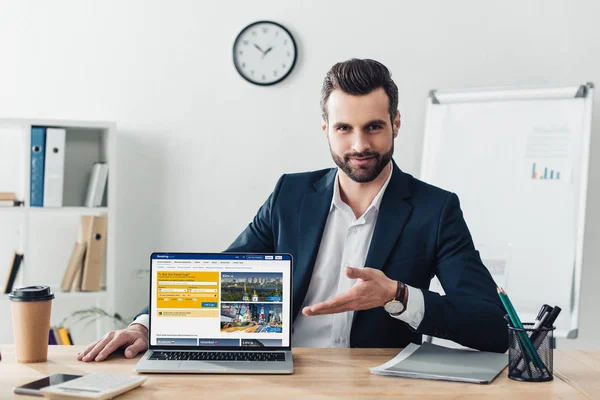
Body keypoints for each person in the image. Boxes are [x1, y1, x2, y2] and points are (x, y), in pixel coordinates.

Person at [78, 58, 508, 363]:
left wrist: (397, 296)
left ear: (396, 123)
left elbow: (491, 326)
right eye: (344, 128)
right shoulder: (291, 195)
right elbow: (225, 274)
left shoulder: (435, 209)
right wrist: (145, 326)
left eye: (373, 126)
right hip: (285, 374)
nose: (359, 145)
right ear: (326, 129)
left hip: (376, 382)